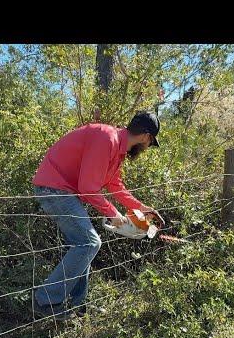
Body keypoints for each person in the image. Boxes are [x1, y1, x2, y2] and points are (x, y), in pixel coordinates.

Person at [31, 111, 164, 320]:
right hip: (54, 189)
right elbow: (87, 188)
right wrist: (114, 214)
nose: (147, 148)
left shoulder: (116, 146)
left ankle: (76, 305)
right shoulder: (106, 139)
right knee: (90, 243)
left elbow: (114, 185)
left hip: (64, 191)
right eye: (150, 143)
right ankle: (46, 300)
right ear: (146, 137)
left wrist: (142, 208)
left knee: (82, 246)